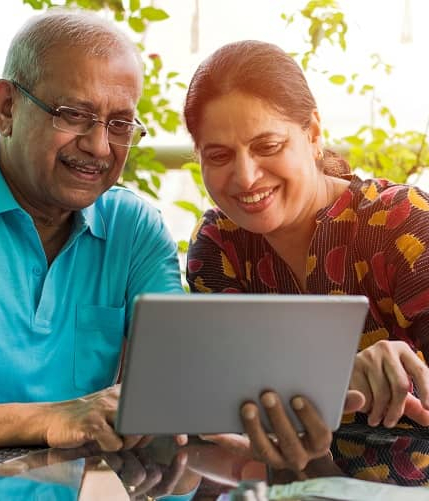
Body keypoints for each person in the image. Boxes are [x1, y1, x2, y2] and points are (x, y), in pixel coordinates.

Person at [0, 9, 185, 466]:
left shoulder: (133, 230)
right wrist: (44, 419)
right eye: (75, 115)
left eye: (120, 124)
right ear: (7, 107)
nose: (100, 146)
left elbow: (173, 390)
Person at [183, 40, 429, 484]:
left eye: (268, 145)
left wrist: (405, 368)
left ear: (313, 133)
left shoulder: (401, 222)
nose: (245, 176)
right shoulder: (220, 246)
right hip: (285, 484)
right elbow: (229, 395)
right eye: (219, 155)